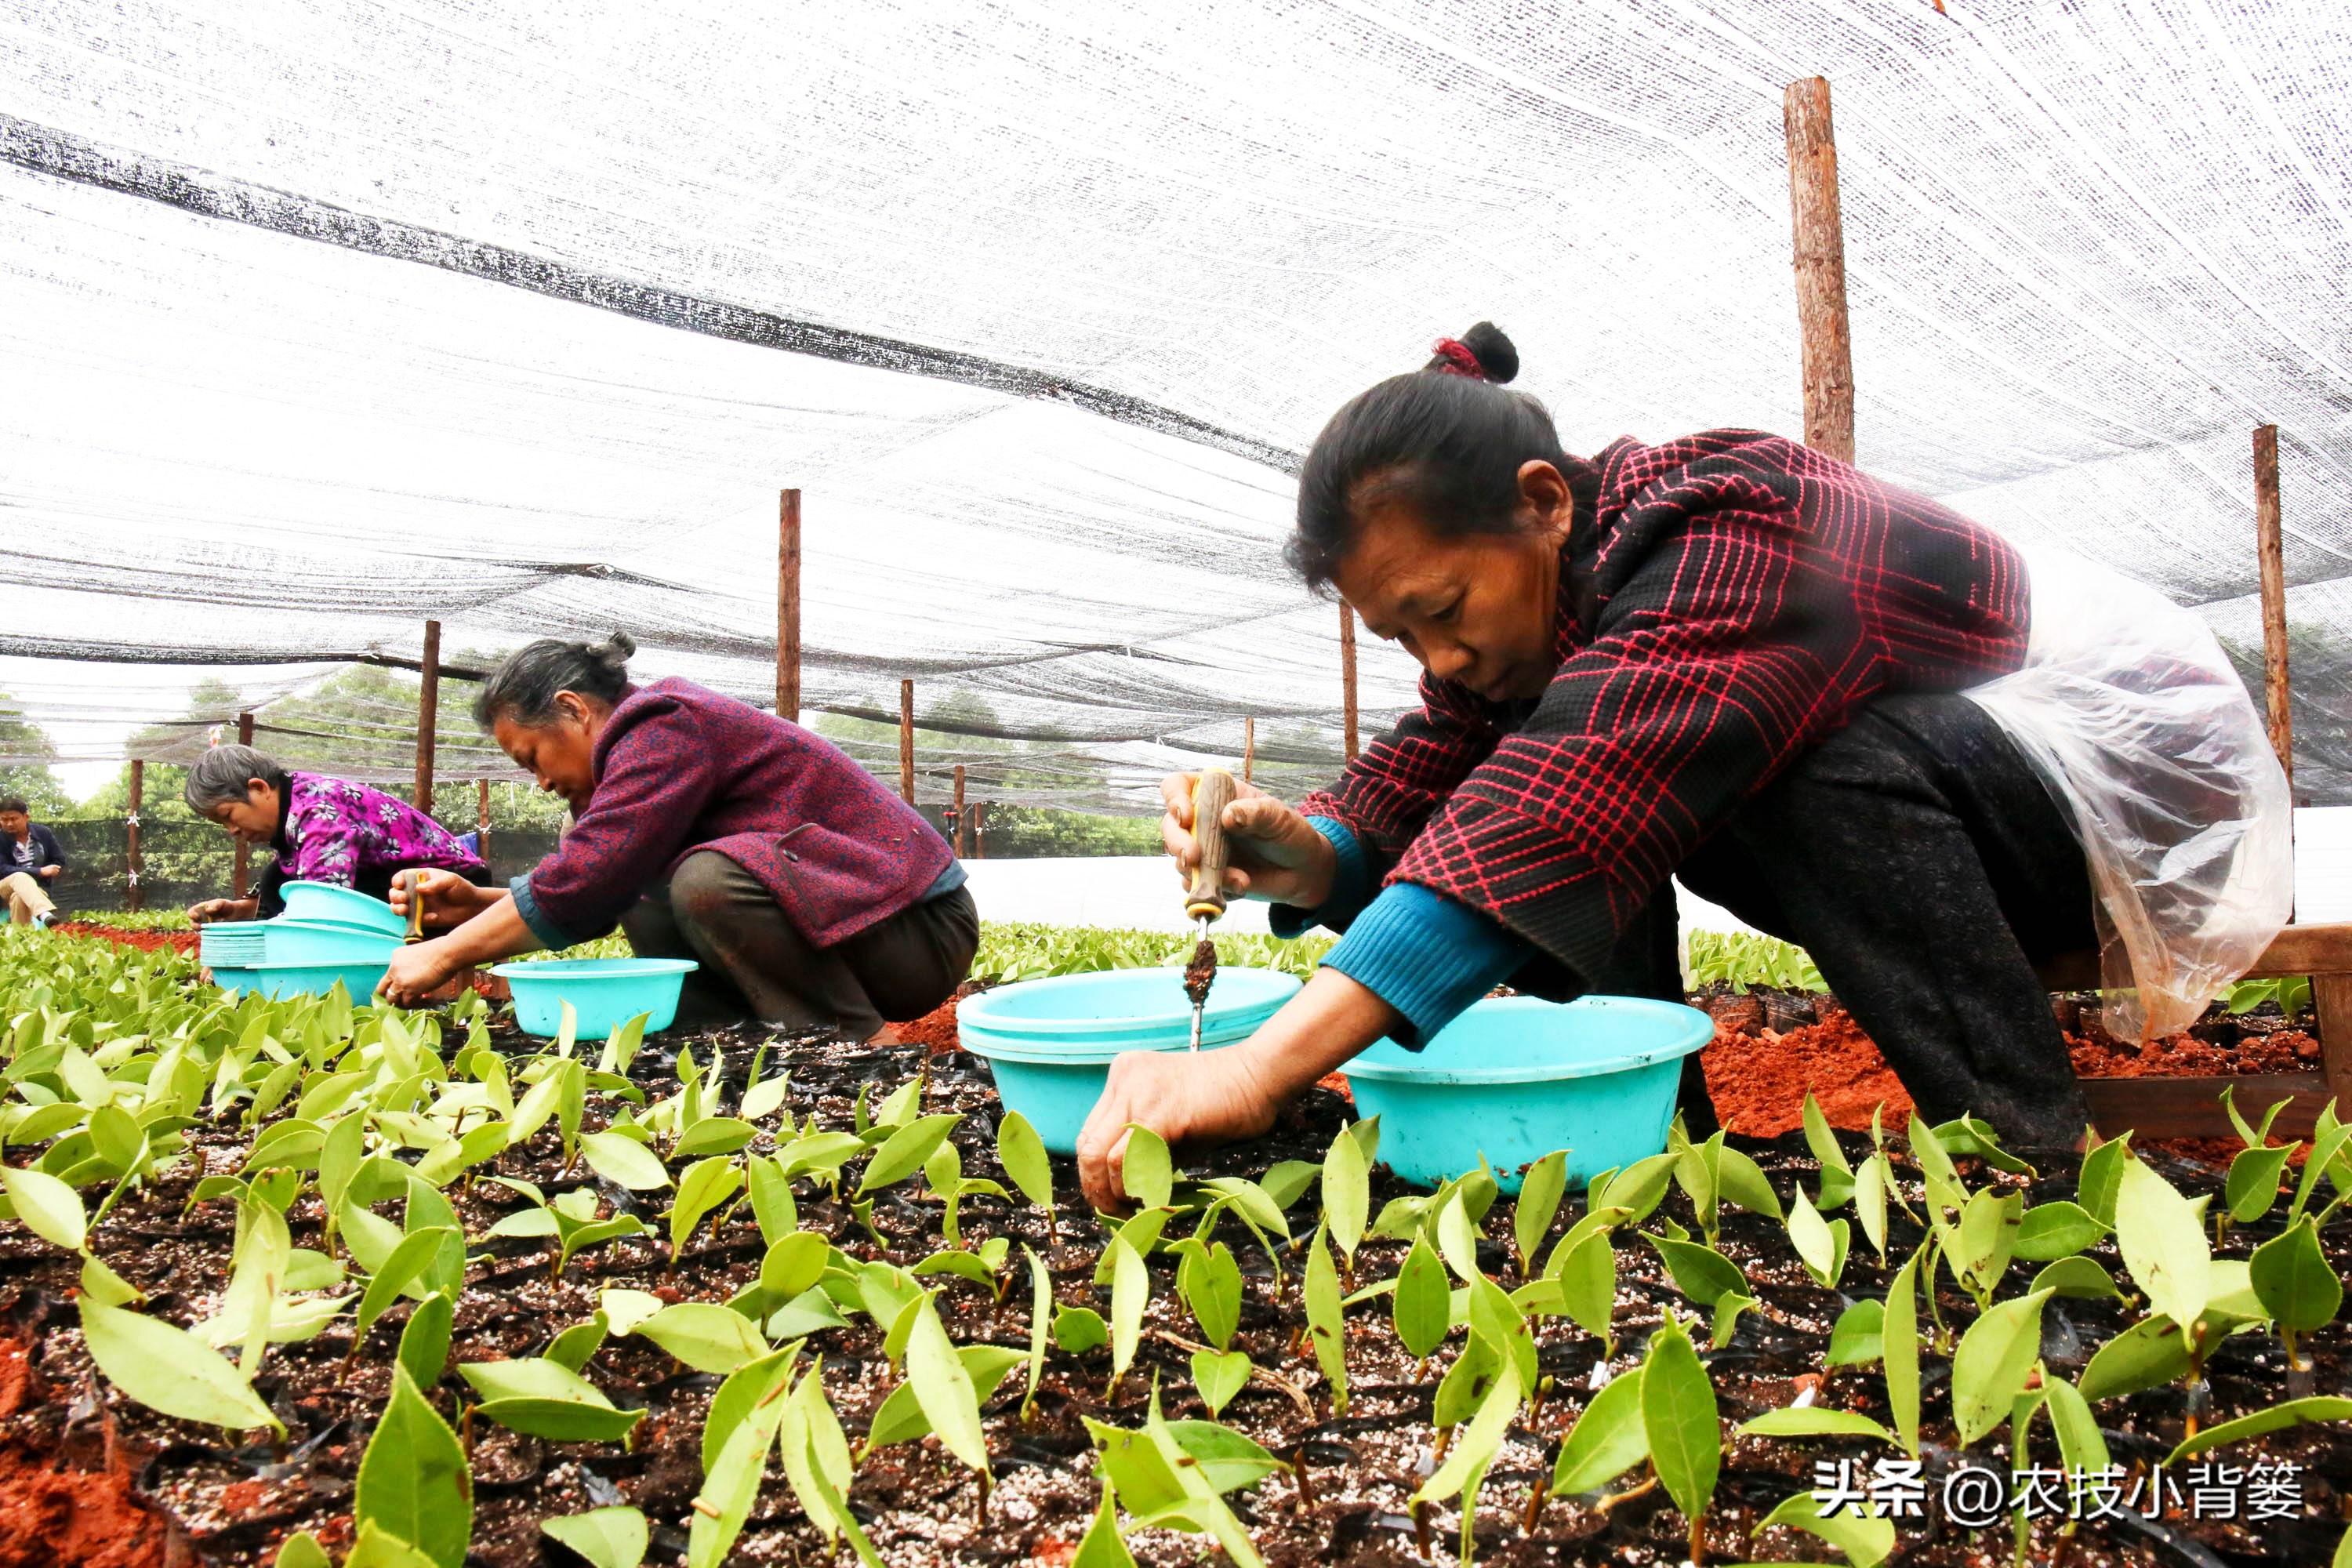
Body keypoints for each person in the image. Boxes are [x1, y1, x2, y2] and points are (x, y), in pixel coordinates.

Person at [1073, 322, 2288, 1210]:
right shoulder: (1562, 608)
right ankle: (1657, 1150)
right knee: (1604, 769)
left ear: (1544, 503)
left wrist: (1260, 1062)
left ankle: (2038, 1171)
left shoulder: (1730, 521)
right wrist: (1308, 853)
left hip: (2148, 805)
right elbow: (1437, 762)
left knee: (1756, 771)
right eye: (1402, 636)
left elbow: (1565, 793)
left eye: (1442, 609)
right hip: (1994, 794)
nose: (1438, 655)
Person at [377, 633, 978, 1040]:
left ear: (574, 709)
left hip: (920, 934)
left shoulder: (660, 726)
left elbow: (588, 882)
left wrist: (444, 953)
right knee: (646, 876)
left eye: (532, 757)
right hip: (864, 931)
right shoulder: (640, 756)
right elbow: (600, 887)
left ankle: (861, 1044)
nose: (538, 781)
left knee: (704, 880)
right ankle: (729, 1040)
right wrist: (475, 905)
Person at [183, 745, 492, 924]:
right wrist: (244, 911)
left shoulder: (317, 812)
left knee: (300, 889)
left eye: (228, 816)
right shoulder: (297, 806)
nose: (232, 830)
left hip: (449, 885)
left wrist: (257, 953)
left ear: (259, 788)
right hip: (404, 881)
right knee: (278, 877)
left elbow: (322, 905)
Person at [0, 797, 65, 928]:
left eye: (13, 819)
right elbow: (2, 869)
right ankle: (44, 913)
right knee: (20, 876)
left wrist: (53, 869)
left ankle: (21, 940)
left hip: (37, 890)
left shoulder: (43, 833)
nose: (9, 824)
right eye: (4, 820)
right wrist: (39, 871)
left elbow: (59, 860)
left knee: (19, 898)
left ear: (26, 817)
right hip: (3, 889)